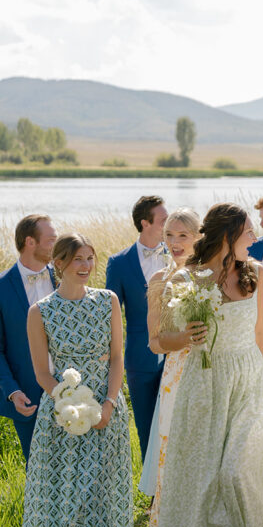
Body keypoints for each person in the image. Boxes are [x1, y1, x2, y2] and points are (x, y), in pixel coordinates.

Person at [152, 203, 263, 527]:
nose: (255, 238)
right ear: (228, 235)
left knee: (239, 467)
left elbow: (261, 330)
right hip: (205, 380)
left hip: (249, 378)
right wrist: (186, 337)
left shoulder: (257, 273)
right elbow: (161, 340)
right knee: (203, 473)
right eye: (248, 232)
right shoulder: (186, 280)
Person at [17, 234, 132, 527]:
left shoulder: (107, 300)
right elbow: (41, 373)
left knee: (99, 492)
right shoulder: (40, 312)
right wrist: (72, 405)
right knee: (66, 497)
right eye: (78, 259)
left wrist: (108, 404)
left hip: (107, 408)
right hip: (62, 415)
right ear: (59, 263)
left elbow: (117, 357)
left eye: (90, 258)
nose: (86, 266)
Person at [138, 209, 204, 523]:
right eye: (169, 235)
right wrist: (183, 340)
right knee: (176, 442)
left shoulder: (212, 276)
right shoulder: (159, 280)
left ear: (199, 237)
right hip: (177, 372)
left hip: (212, 369)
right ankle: (172, 518)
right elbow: (154, 342)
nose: (174, 243)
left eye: (183, 235)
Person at [105, 194, 168, 461]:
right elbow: (110, 316)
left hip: (178, 354)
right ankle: (150, 484)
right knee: (145, 427)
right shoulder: (119, 263)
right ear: (145, 223)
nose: (169, 224)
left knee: (174, 425)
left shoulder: (179, 256)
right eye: (163, 220)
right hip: (139, 359)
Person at [0, 214, 57, 461]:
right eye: (51, 240)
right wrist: (12, 391)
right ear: (30, 242)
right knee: (36, 469)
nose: (57, 245)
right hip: (27, 396)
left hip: (72, 391)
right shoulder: (2, 287)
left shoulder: (64, 277)